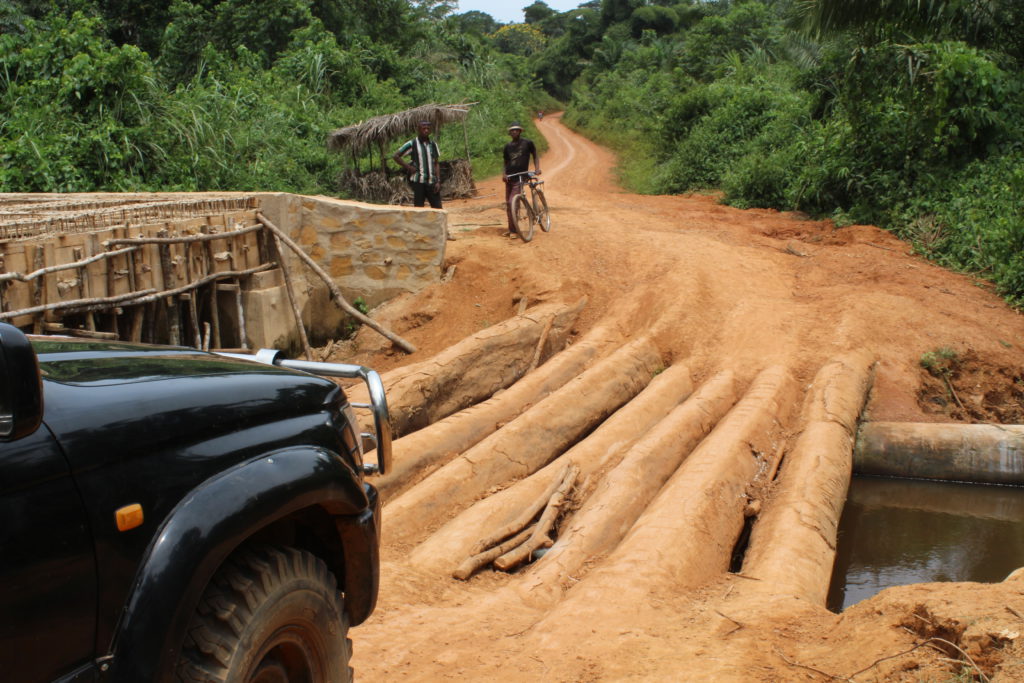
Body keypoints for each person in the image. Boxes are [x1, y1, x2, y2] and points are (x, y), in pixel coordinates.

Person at [502, 122, 540, 238]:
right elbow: (505, 162)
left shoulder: (527, 143)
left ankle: (514, 231)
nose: (514, 132)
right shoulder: (507, 147)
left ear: (520, 131)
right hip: (509, 178)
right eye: (512, 130)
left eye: (516, 130)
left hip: (521, 176)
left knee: (512, 201)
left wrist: (537, 168)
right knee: (509, 204)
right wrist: (504, 174)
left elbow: (535, 154)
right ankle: (511, 228)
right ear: (510, 133)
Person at [393, 120, 442, 209]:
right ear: (418, 130)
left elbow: (436, 163)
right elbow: (396, 156)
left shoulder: (433, 145)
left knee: (438, 210)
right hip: (419, 183)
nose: (426, 130)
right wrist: (408, 167)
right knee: (419, 210)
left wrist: (438, 181)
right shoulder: (412, 144)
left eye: (428, 129)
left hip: (432, 182)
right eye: (423, 129)